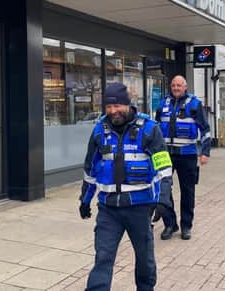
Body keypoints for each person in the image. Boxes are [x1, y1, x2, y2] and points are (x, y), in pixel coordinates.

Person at [79, 82, 173, 291]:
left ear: (128, 104)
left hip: (140, 209)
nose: (113, 111)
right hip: (108, 210)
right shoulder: (99, 131)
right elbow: (90, 169)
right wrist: (85, 200)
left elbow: (164, 169)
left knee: (144, 259)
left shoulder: (149, 129)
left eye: (117, 106)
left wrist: (163, 200)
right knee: (103, 258)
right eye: (109, 107)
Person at [155, 75, 211, 240]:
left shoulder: (194, 104)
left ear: (185, 87)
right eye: (173, 85)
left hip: (187, 155)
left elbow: (205, 129)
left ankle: (186, 226)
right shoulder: (163, 103)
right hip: (166, 154)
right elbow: (155, 128)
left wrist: (205, 152)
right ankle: (170, 224)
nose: (176, 88)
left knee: (188, 191)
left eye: (179, 85)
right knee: (163, 190)